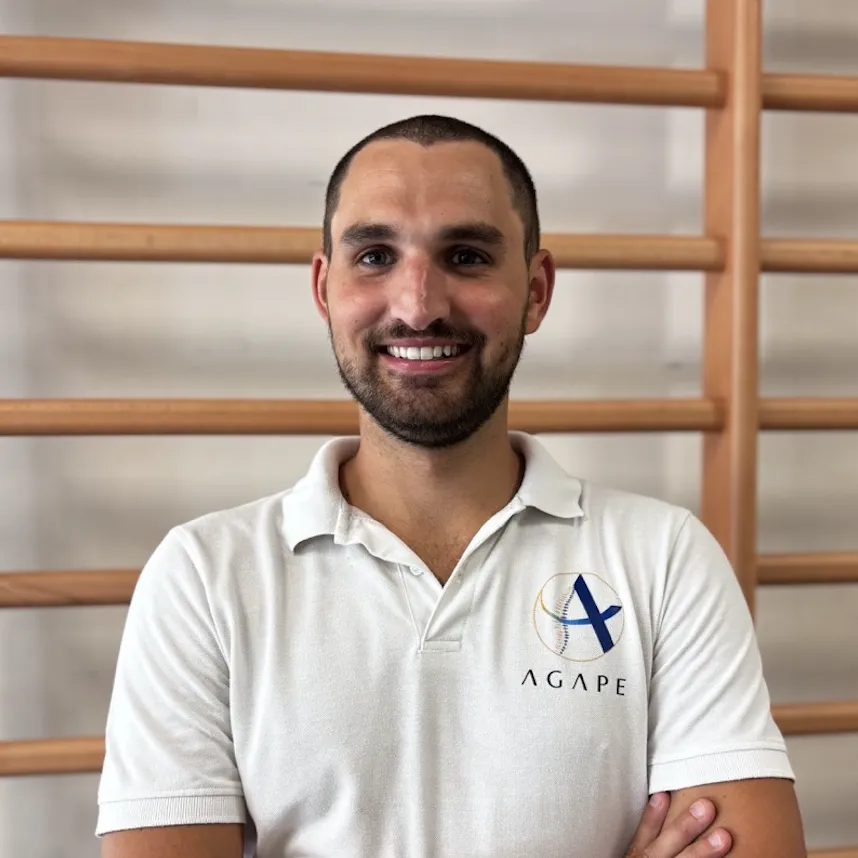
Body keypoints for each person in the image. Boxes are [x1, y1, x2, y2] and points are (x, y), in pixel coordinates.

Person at [96, 114, 807, 858]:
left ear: (536, 291)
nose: (419, 304)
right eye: (375, 256)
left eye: (466, 256)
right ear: (324, 288)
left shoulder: (664, 559)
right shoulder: (204, 577)